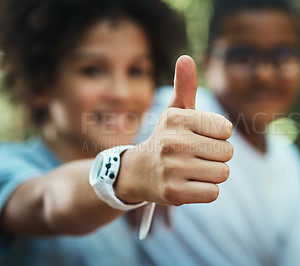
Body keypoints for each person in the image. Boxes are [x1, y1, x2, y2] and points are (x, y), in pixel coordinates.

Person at [0, 0, 233, 265]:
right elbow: (48, 202)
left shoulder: (152, 189)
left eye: (136, 71)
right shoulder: (7, 166)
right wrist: (126, 175)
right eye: (93, 70)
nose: (121, 93)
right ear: (40, 85)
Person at [134, 0, 300, 265]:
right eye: (242, 56)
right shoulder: (163, 117)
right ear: (208, 61)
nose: (264, 74)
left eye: (282, 56)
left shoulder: (291, 164)